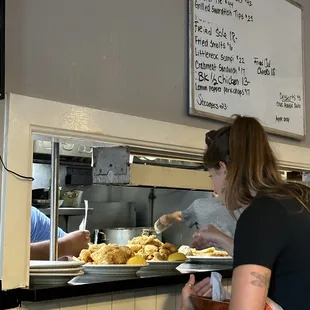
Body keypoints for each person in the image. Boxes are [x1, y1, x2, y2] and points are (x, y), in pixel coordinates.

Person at [182, 115, 310, 310]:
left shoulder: (259, 216)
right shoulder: (300, 198)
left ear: (224, 170)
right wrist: (223, 240)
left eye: (211, 176)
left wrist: (191, 308)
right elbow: (285, 268)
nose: (214, 189)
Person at [154, 191, 243, 239]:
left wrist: (169, 217)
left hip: (217, 260)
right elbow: (181, 216)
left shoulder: (200, 205)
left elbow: (179, 217)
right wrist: (169, 217)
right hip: (236, 259)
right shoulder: (199, 205)